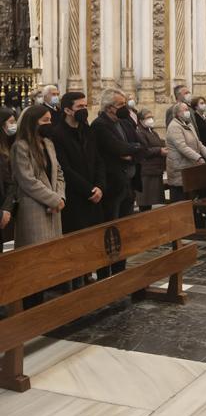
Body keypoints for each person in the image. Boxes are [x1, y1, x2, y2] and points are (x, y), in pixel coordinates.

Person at [11, 105, 65, 306]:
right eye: (45, 121)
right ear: (33, 122)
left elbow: (58, 173)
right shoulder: (21, 147)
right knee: (33, 263)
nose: (49, 124)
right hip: (33, 209)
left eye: (50, 120)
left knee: (50, 262)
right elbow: (27, 180)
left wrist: (60, 198)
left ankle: (45, 307)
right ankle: (31, 306)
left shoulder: (48, 143)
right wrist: (53, 199)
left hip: (54, 208)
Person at [91, 88, 143, 277]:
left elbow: (138, 144)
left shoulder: (125, 122)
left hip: (128, 183)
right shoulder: (99, 125)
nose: (124, 108)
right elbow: (116, 148)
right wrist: (128, 150)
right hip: (112, 185)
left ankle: (120, 271)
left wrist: (132, 151)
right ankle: (105, 273)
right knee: (109, 231)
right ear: (109, 107)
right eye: (120, 104)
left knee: (124, 230)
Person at [52, 91, 105, 236]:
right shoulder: (57, 134)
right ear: (68, 110)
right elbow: (65, 169)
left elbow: (98, 160)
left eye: (85, 106)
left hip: (95, 194)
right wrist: (89, 190)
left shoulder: (87, 130)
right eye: (80, 106)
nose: (84, 110)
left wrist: (100, 186)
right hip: (75, 197)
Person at [166, 101, 206, 202]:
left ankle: (197, 213)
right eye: (185, 110)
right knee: (181, 198)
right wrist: (199, 157)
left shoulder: (189, 124)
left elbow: (199, 144)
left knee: (204, 188)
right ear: (177, 113)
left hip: (190, 165)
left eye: (188, 110)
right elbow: (182, 147)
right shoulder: (174, 126)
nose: (187, 112)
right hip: (180, 167)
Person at [135, 108, 167, 211]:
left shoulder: (153, 132)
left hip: (155, 169)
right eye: (148, 117)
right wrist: (159, 150)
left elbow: (158, 143)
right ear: (140, 120)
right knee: (145, 202)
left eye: (152, 117)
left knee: (151, 201)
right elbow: (144, 150)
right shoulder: (139, 132)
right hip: (146, 171)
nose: (151, 119)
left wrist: (164, 147)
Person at [0, 107, 18, 253]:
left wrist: (6, 208)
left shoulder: (9, 145)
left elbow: (10, 182)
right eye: (11, 122)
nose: (14, 125)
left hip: (4, 206)